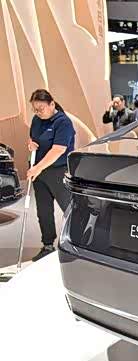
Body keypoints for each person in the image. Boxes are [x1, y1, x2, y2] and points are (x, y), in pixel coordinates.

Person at [27, 89, 75, 261]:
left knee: (69, 208)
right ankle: (47, 245)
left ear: (52, 104)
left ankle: (77, 243)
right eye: (35, 109)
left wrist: (37, 168)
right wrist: (31, 144)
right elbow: (33, 138)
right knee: (43, 211)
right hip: (40, 173)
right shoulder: (36, 120)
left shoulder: (63, 122)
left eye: (41, 108)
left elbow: (58, 150)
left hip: (58, 171)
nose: (38, 112)